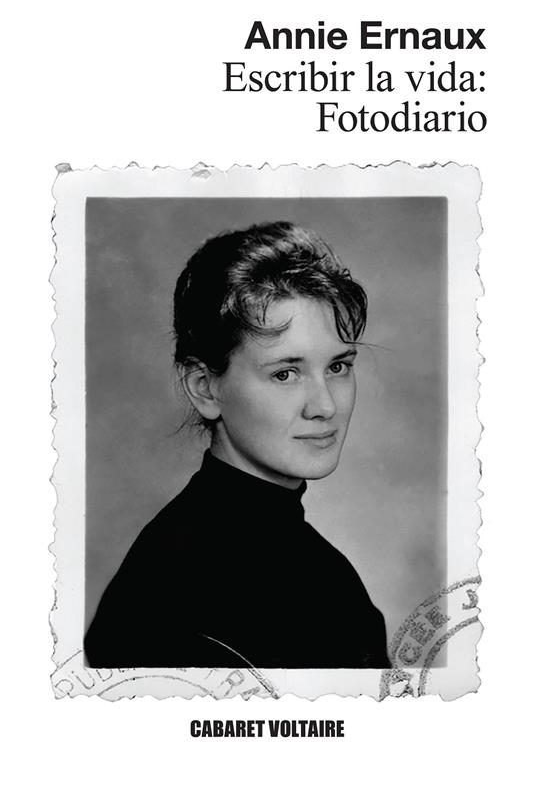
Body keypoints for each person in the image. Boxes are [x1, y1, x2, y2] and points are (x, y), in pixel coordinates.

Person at [84, 221, 390, 669]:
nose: (325, 406)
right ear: (205, 388)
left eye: (338, 367)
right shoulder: (177, 584)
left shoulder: (317, 566)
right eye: (285, 373)